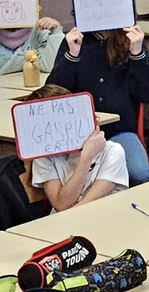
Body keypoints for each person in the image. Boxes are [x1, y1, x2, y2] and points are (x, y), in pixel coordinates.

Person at [53, 0, 149, 185]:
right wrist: (71, 56)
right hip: (80, 132)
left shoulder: (130, 40)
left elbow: (146, 93)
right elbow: (56, 91)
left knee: (140, 174)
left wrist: (137, 53)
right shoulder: (75, 42)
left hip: (120, 129)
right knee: (73, 177)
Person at [24, 83, 130, 211]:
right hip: (63, 221)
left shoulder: (112, 152)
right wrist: (86, 159)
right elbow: (61, 204)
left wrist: (88, 155)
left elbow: (89, 204)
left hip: (101, 217)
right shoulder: (44, 158)